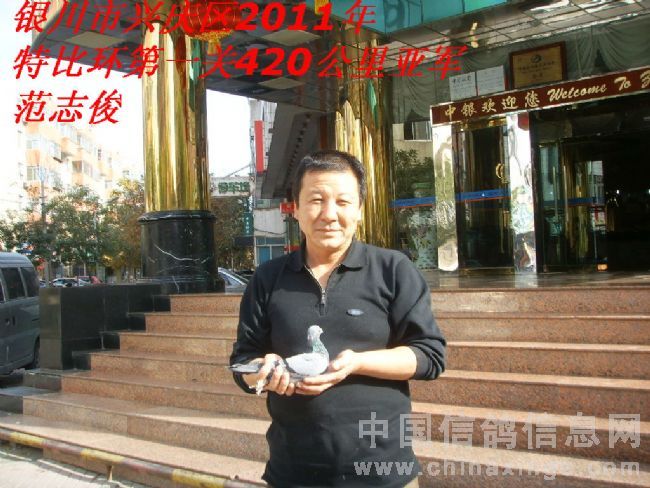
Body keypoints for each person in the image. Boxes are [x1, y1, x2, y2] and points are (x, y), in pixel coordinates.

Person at [230, 150, 446, 487]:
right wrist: (265, 372)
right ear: (295, 209)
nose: (329, 214)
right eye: (316, 200)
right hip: (294, 472)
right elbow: (243, 362)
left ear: (359, 210)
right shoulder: (268, 278)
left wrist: (356, 362)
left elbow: (429, 356)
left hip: (384, 472)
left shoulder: (393, 270)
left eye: (343, 202)